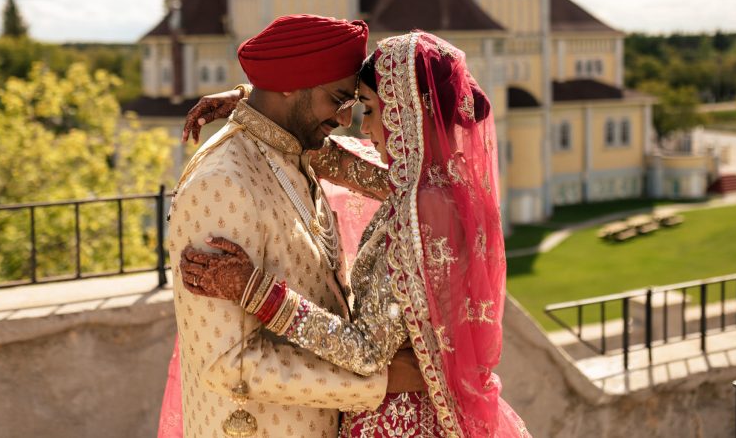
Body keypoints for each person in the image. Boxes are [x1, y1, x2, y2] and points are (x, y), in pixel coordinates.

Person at [181, 32, 530, 437]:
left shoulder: (428, 207)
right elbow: (339, 163)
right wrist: (258, 100)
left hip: (399, 422)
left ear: (407, 112)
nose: (364, 130)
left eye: (369, 109)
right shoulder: (432, 185)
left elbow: (365, 352)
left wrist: (255, 291)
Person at [160, 14, 425, 438]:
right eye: (338, 99)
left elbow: (409, 180)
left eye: (354, 106)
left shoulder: (294, 150)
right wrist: (380, 384)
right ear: (290, 84)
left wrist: (251, 100)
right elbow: (227, 363)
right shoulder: (224, 182)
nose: (345, 121)